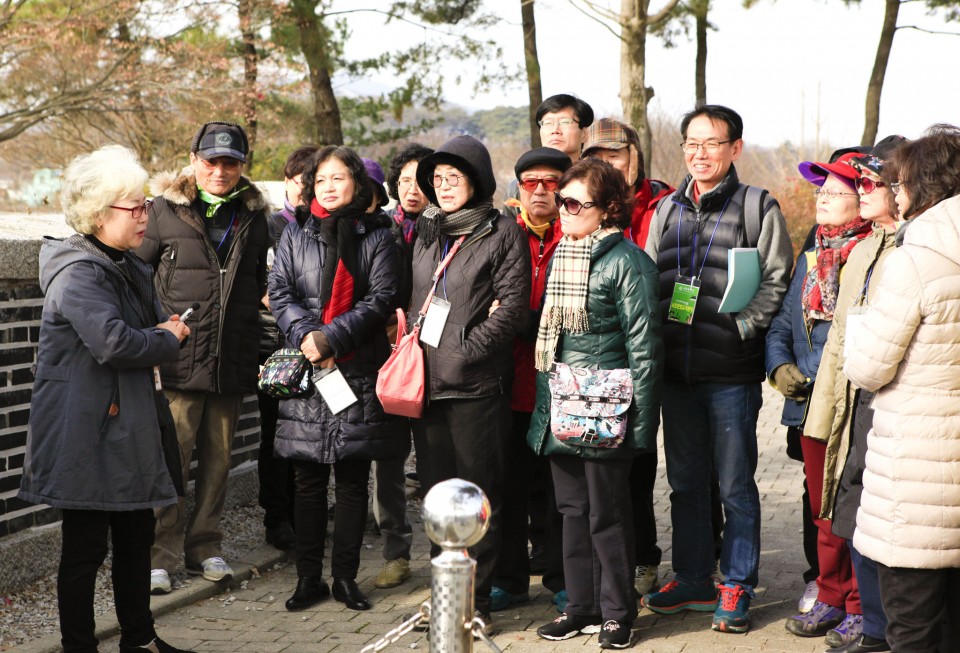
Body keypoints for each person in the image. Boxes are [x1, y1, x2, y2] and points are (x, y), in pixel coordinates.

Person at [18, 145, 193, 653]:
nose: (144, 216)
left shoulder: (127, 264)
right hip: (87, 429)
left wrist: (162, 329)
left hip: (126, 422)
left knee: (136, 538)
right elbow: (115, 343)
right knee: (86, 549)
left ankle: (139, 639)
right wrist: (167, 338)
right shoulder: (79, 271)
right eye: (134, 207)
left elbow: (144, 328)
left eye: (145, 205)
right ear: (98, 214)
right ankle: (79, 646)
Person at [641, 104, 793, 634]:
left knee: (734, 485)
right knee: (685, 483)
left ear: (735, 148)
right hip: (676, 373)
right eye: (691, 142)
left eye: (711, 143)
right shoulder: (666, 209)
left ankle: (737, 583)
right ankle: (692, 578)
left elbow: (777, 278)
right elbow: (647, 276)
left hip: (730, 373)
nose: (699, 153)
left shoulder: (757, 206)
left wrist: (744, 327)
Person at [528, 157, 663, 650]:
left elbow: (645, 349)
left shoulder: (629, 262)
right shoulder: (564, 255)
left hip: (607, 410)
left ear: (607, 209)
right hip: (563, 403)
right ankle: (581, 607)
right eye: (561, 201)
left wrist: (641, 427)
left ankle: (616, 612)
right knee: (571, 510)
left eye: (574, 203)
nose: (562, 210)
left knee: (608, 513)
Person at [269, 146, 405, 613]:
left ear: (356, 184)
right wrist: (309, 336)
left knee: (351, 480)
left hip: (357, 369)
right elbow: (280, 291)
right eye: (321, 178)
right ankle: (308, 578)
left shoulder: (378, 235)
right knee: (307, 481)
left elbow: (382, 297)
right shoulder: (296, 231)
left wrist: (332, 337)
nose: (329, 186)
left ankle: (345, 577)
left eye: (338, 177)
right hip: (308, 368)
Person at [138, 122, 270, 594]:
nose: (219, 171)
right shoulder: (163, 211)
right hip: (178, 360)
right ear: (193, 160)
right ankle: (159, 555)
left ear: (242, 165)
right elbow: (137, 276)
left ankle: (205, 547)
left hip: (230, 360)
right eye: (211, 161)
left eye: (230, 162)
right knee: (172, 460)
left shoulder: (255, 217)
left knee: (218, 463)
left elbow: (258, 284)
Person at [844, 125, 960, 653]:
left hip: (916, 476)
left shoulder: (914, 259)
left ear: (919, 186)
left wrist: (860, 326)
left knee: (912, 628)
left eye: (899, 182)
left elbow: (869, 368)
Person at [410, 134, 530, 633]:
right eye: (437, 178)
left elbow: (513, 310)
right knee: (438, 497)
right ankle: (445, 597)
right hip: (427, 385)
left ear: (476, 180)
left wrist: (463, 349)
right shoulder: (426, 230)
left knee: (477, 498)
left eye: (453, 177)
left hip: (476, 386)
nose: (443, 186)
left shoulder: (502, 232)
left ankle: (474, 604)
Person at [805, 136, 908, 653]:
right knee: (834, 505)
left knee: (868, 512)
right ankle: (850, 609)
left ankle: (868, 615)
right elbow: (834, 336)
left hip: (881, 400)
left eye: (870, 183)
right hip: (833, 396)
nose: (863, 191)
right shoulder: (863, 250)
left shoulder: (909, 251)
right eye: (860, 183)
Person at [766, 153, 873, 645]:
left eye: (833, 192)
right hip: (809, 406)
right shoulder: (814, 252)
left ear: (860, 200)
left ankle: (860, 606)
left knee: (852, 508)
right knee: (822, 509)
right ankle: (831, 594)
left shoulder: (873, 255)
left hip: (849, 402)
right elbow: (783, 322)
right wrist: (777, 367)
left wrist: (811, 373)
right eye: (821, 191)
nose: (821, 199)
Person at [582, 117, 674, 596]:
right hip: (597, 362)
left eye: (615, 156)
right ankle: (608, 569)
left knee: (645, 463)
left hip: (655, 348)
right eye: (596, 157)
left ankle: (650, 558)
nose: (608, 165)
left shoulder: (664, 204)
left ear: (634, 158)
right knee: (606, 478)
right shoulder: (581, 205)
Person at [492, 147, 571, 613]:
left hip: (560, 386)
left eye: (551, 182)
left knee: (561, 492)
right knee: (507, 488)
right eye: (530, 182)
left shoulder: (578, 235)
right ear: (518, 188)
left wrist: (520, 318)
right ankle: (509, 579)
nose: (540, 190)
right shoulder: (501, 234)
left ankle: (563, 578)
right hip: (507, 384)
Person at [258, 145, 318, 551]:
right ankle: (276, 516)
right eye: (300, 182)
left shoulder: (322, 226)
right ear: (286, 181)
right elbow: (257, 285)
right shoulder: (267, 227)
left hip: (314, 343)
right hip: (273, 345)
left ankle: (306, 513)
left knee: (309, 432)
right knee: (274, 432)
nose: (305, 190)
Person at [361, 156, 415, 591]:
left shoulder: (423, 232)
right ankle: (392, 551)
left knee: (407, 461)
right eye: (405, 181)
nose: (413, 189)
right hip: (371, 359)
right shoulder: (357, 234)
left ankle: (442, 551)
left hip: (419, 357)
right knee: (384, 461)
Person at [504, 94, 594, 219]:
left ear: (584, 133)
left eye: (565, 122)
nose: (555, 130)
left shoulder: (596, 181)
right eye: (547, 123)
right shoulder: (519, 186)